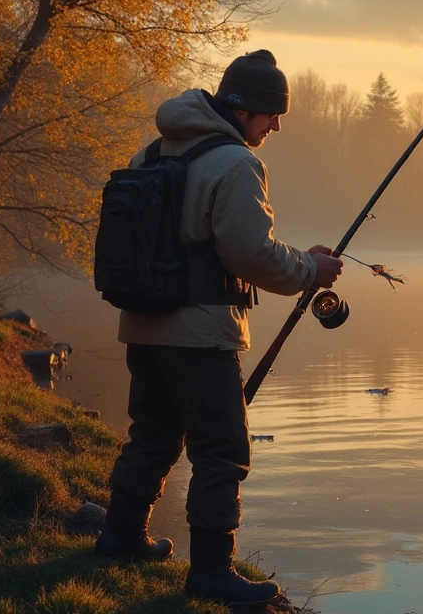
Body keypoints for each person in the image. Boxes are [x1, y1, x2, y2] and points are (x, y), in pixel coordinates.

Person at [93, 49, 343, 607]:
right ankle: (211, 573)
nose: (275, 126)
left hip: (143, 325)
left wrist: (301, 259)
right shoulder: (234, 162)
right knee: (222, 451)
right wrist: (310, 270)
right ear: (246, 108)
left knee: (153, 433)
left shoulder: (153, 151)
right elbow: (248, 252)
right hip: (201, 335)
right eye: (272, 115)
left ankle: (119, 537)